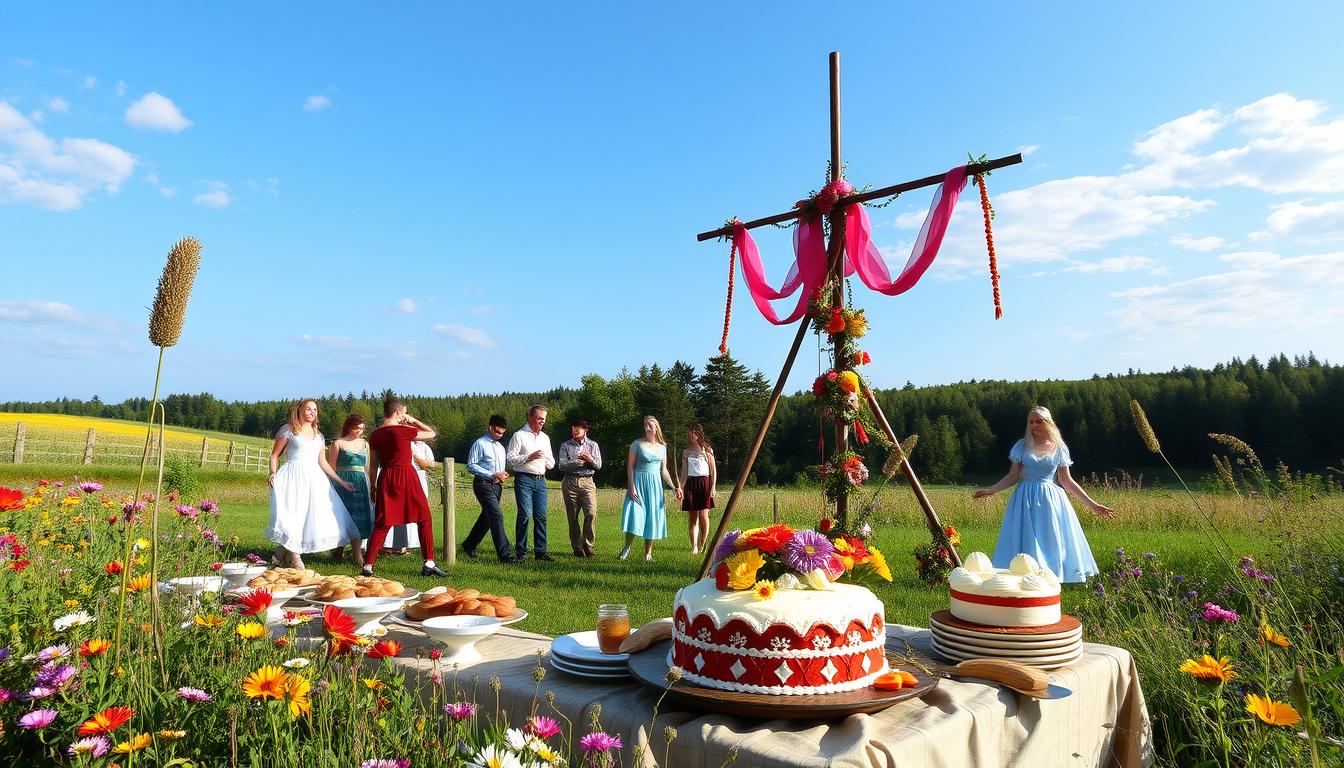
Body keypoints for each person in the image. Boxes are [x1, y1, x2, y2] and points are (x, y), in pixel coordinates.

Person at [973, 405, 1115, 583]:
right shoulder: (1022, 446)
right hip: (1024, 499)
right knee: (1024, 537)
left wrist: (1093, 505)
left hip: (1051, 501)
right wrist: (991, 490)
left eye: (1038, 421)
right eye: (1031, 421)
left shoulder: (1059, 448)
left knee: (1051, 539)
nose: (1034, 425)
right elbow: (1012, 476)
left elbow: (1066, 481)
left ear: (1048, 422)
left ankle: (1051, 576)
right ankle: (1023, 575)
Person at [264, 399, 359, 569]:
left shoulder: (319, 435)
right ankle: (295, 556)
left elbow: (323, 462)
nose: (312, 412)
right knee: (295, 514)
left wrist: (341, 482)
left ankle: (280, 554)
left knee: (310, 516)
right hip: (293, 476)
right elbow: (274, 456)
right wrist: (272, 473)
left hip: (314, 479)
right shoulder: (289, 430)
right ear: (300, 410)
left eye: (315, 409)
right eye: (308, 409)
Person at [364, 396, 446, 577]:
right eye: (405, 412)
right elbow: (431, 433)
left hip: (386, 476)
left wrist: (372, 485)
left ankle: (368, 565)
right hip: (407, 476)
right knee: (423, 518)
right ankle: (429, 563)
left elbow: (373, 465)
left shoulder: (375, 435)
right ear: (397, 413)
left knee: (383, 522)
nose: (406, 416)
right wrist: (413, 421)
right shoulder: (404, 430)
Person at [619, 415, 682, 561]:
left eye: (649, 426)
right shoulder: (637, 444)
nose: (646, 428)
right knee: (635, 515)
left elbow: (664, 470)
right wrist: (631, 485)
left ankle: (648, 554)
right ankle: (627, 546)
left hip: (655, 486)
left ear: (656, 429)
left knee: (652, 518)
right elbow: (630, 466)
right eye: (645, 426)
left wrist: (674, 487)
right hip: (639, 482)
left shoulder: (662, 447)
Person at [462, 415, 516, 563]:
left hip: (497, 486)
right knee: (496, 516)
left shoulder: (500, 448)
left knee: (487, 518)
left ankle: (469, 544)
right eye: (497, 432)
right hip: (483, 484)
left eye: (502, 433)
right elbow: (471, 465)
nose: (499, 435)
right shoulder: (480, 444)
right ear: (490, 427)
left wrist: (503, 474)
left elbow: (499, 468)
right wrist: (491, 474)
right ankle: (505, 555)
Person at [505, 404, 554, 561]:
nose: (542, 422)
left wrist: (545, 460)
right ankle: (522, 552)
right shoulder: (519, 436)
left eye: (544, 419)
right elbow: (510, 458)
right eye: (540, 418)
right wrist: (529, 457)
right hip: (524, 479)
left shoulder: (545, 438)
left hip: (541, 480)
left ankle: (540, 552)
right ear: (531, 418)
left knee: (541, 516)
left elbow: (552, 463)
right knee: (525, 514)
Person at [326, 414, 372, 567]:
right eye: (357, 428)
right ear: (349, 427)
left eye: (362, 429)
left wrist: (371, 484)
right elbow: (331, 467)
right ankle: (337, 550)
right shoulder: (337, 443)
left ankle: (357, 554)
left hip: (360, 482)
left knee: (359, 516)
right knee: (341, 516)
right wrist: (336, 484)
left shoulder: (365, 444)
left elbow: (367, 467)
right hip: (342, 482)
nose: (360, 431)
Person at [557, 418, 603, 557]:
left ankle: (588, 545)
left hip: (587, 482)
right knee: (572, 518)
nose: (574, 430)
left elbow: (598, 465)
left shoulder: (593, 445)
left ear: (585, 430)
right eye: (573, 428)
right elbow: (561, 465)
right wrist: (574, 463)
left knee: (591, 513)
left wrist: (589, 460)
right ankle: (577, 548)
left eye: (578, 428)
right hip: (570, 482)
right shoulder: (565, 445)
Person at [380, 440, 433, 555]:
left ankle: (404, 545)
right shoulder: (403, 443)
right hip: (402, 477)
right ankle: (387, 545)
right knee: (394, 512)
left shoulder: (424, 447)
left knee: (416, 514)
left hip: (418, 477)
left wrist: (415, 456)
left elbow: (429, 464)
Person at [677, 423, 717, 555]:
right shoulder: (686, 452)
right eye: (689, 432)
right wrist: (680, 487)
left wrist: (713, 487)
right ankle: (694, 546)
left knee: (704, 515)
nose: (690, 435)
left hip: (704, 482)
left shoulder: (707, 450)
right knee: (692, 516)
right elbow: (684, 473)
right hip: (691, 483)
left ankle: (702, 543)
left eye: (693, 432)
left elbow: (713, 470)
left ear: (699, 434)